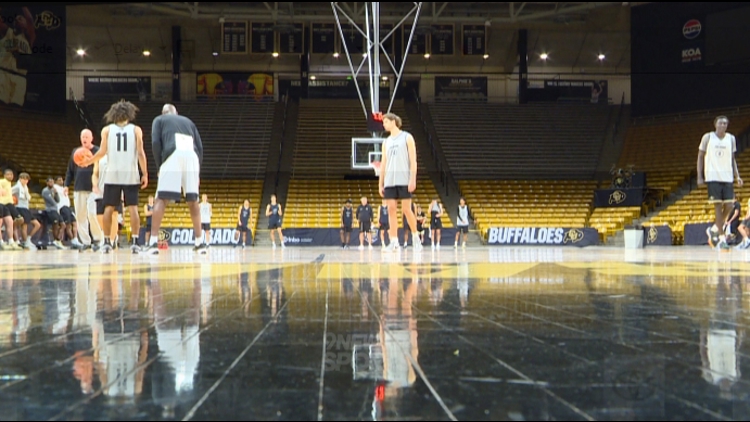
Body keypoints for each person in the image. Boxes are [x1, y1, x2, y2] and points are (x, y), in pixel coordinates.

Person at [143, 104, 205, 255]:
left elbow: (156, 143)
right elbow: (200, 147)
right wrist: (198, 173)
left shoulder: (159, 120)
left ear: (163, 113)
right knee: (193, 200)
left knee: (161, 199)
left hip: (172, 154)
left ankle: (153, 242)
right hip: (192, 156)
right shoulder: (188, 121)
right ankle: (200, 242)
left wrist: (159, 165)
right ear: (176, 113)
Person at [698, 116, 742, 250]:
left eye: (725, 123)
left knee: (729, 205)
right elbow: (700, 156)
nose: (723, 125)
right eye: (720, 123)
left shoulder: (731, 138)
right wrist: (700, 176)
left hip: (727, 176)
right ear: (715, 124)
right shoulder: (708, 137)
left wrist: (737, 175)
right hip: (713, 176)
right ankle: (722, 239)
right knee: (718, 206)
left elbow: (732, 159)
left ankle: (714, 228)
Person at [378, 113, 421, 252]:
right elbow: (383, 164)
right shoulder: (386, 142)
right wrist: (381, 183)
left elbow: (413, 160)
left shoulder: (407, 137)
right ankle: (394, 241)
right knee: (391, 210)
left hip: (404, 178)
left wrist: (412, 178)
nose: (383, 124)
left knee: (406, 210)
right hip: (390, 180)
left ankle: (415, 237)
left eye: (385, 122)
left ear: (393, 121)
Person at [65, 129, 104, 251]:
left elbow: (101, 170)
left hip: (94, 189)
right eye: (82, 136)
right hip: (78, 188)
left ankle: (98, 240)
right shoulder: (75, 152)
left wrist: (97, 185)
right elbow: (70, 170)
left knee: (92, 214)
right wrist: (66, 185)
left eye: (87, 136)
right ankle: (86, 241)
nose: (84, 138)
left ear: (92, 138)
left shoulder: (98, 151)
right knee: (80, 216)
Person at [0, 7, 34, 107]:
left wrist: (23, 6)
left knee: (16, 108)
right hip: (3, 73)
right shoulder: (7, 32)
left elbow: (30, 20)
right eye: (17, 18)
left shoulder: (29, 39)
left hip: (20, 76)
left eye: (21, 18)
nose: (17, 20)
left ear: (25, 24)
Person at [91, 155, 121, 250]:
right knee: (100, 216)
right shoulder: (99, 157)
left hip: (115, 188)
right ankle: (110, 237)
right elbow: (95, 174)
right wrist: (95, 185)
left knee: (113, 215)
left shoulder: (118, 155)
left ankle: (111, 240)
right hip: (101, 190)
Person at [11, 172, 40, 249]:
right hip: (20, 208)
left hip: (26, 208)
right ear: (20, 179)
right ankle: (25, 242)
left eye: (27, 179)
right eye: (24, 179)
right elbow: (9, 193)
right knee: (24, 227)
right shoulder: (17, 187)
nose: (26, 180)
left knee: (37, 224)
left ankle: (28, 239)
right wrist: (13, 200)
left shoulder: (25, 188)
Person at [55, 176, 82, 249]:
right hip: (62, 207)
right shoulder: (55, 187)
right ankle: (72, 240)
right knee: (68, 225)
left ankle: (76, 239)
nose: (61, 181)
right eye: (59, 180)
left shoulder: (64, 188)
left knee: (75, 223)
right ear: (56, 181)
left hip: (68, 207)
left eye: (62, 180)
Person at [41, 177, 66, 249]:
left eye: (52, 182)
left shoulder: (53, 190)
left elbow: (58, 200)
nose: (51, 183)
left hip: (55, 210)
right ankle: (56, 240)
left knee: (63, 225)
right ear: (47, 183)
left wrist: (56, 193)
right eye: (50, 182)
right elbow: (52, 202)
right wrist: (55, 201)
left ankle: (57, 239)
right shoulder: (45, 191)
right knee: (55, 225)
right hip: (50, 210)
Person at [0, 168, 22, 249]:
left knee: (10, 222)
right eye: (8, 174)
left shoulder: (9, 183)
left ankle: (11, 241)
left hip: (7, 205)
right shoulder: (2, 181)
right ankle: (1, 242)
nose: (11, 176)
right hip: (1, 203)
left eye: (12, 174)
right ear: (4, 175)